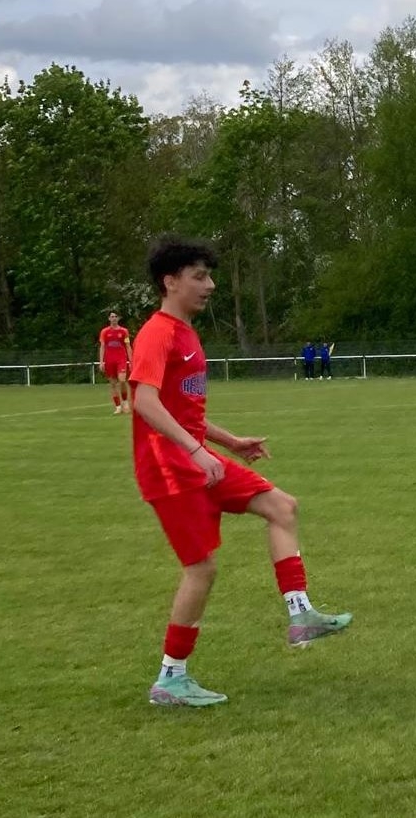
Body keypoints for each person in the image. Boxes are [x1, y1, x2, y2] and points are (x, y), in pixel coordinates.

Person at [131, 236, 350, 708]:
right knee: (201, 569)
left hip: (197, 459)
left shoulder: (187, 333)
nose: (210, 285)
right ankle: (170, 678)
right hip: (169, 468)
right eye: (199, 276)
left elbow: (182, 410)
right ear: (170, 282)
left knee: (281, 507)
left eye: (209, 276)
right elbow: (144, 402)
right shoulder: (157, 333)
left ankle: (301, 615)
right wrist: (196, 451)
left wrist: (229, 442)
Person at [98, 311, 133, 413]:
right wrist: (101, 362)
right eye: (112, 316)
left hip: (121, 359)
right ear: (109, 318)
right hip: (109, 360)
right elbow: (102, 346)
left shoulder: (124, 331)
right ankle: (118, 407)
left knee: (122, 380)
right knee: (113, 383)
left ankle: (125, 402)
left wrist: (131, 361)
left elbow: (128, 346)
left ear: (118, 318)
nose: (114, 318)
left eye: (115, 316)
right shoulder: (104, 332)